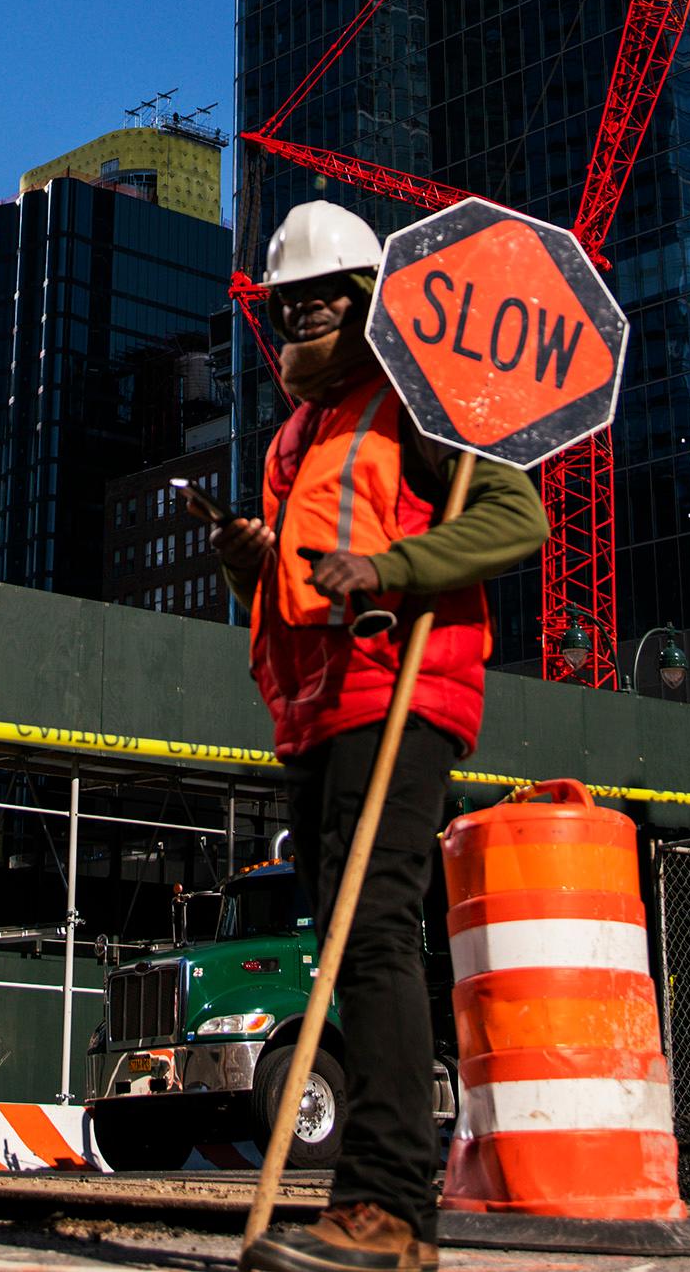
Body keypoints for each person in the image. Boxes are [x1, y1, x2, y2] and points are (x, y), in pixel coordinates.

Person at [217, 200, 547, 1272]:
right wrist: (247, 563)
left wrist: (390, 571)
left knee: (372, 936)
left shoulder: (422, 402)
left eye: (319, 299)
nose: (299, 319)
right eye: (287, 305)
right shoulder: (291, 437)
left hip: (399, 695)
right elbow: (300, 576)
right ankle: (378, 1204)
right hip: (314, 711)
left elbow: (517, 517)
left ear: (366, 302)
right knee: (344, 947)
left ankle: (389, 1209)